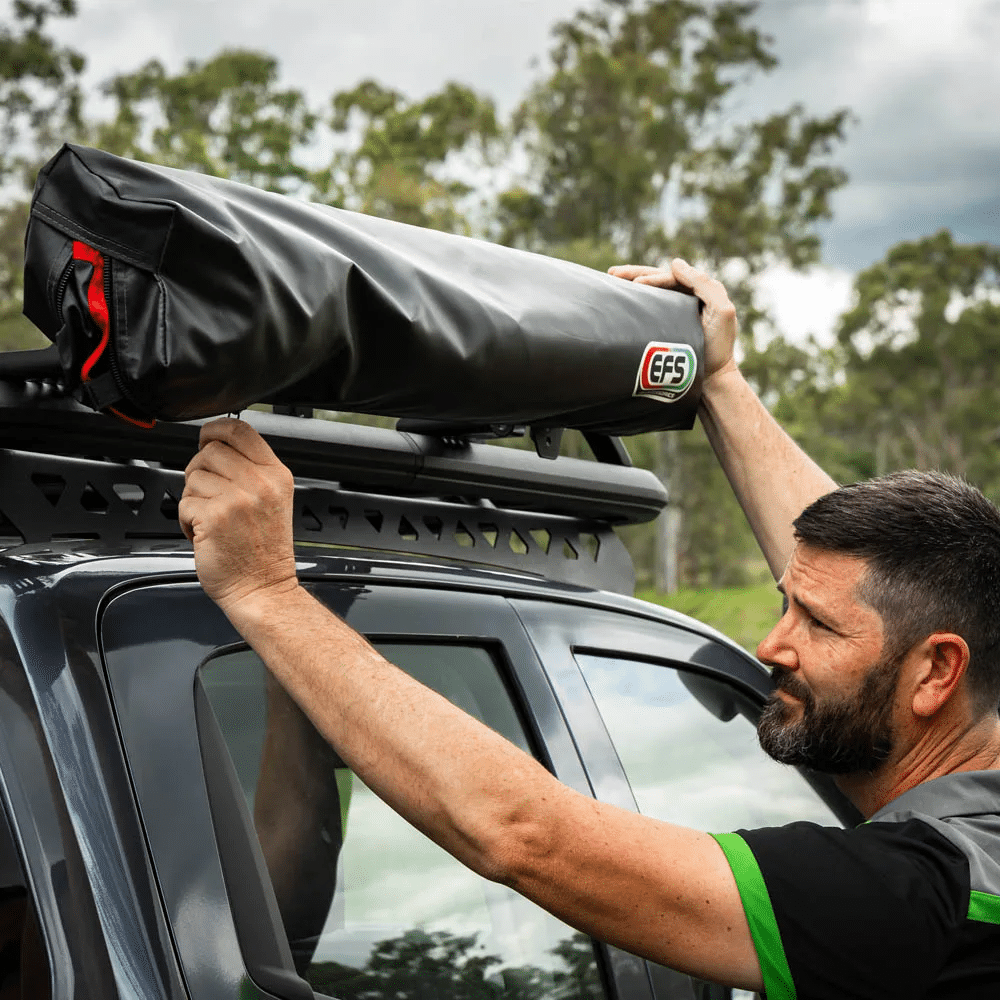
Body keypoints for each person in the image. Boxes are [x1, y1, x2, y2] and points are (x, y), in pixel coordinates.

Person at [179, 259, 1000, 998]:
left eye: (814, 624)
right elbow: (890, 588)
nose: (771, 646)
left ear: (937, 674)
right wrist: (719, 381)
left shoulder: (917, 896)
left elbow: (530, 836)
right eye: (785, 604)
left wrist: (267, 593)